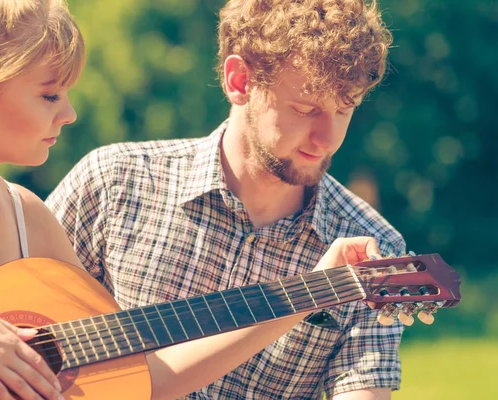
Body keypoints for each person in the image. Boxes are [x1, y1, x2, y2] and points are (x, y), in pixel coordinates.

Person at [0, 1, 386, 400]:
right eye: (50, 96)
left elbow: (141, 377)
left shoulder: (31, 220)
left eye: (346, 111)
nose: (69, 114)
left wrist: (312, 292)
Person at [46, 0, 406, 399]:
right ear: (239, 81)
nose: (327, 139)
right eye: (305, 109)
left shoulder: (371, 249)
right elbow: (10, 326)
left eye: (345, 109)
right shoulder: (114, 183)